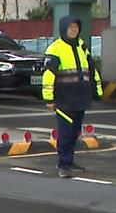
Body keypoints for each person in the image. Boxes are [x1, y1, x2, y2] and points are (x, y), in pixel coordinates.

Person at [41, 16, 102, 178]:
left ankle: (70, 160)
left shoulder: (82, 47)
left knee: (75, 132)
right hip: (64, 98)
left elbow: (91, 70)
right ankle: (63, 164)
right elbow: (48, 76)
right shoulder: (55, 49)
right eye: (70, 27)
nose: (74, 30)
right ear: (63, 29)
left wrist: (97, 91)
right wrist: (49, 99)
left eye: (76, 27)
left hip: (80, 98)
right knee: (66, 133)